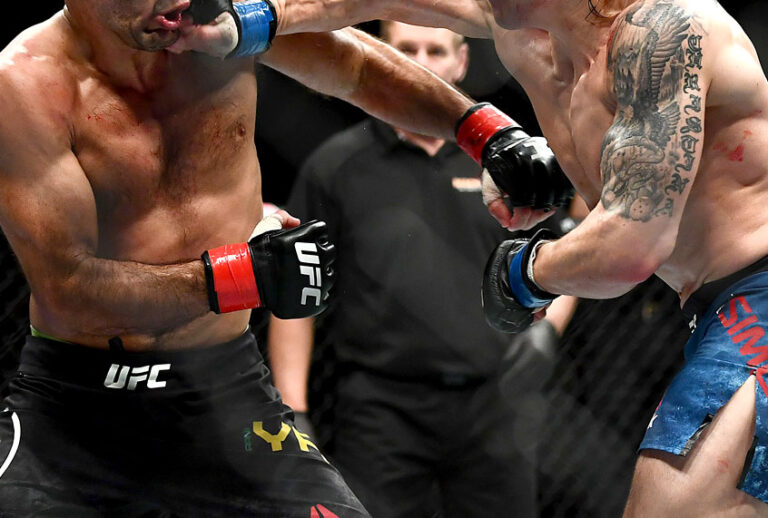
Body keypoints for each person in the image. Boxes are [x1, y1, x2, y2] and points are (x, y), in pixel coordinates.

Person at [176, 0, 768, 515]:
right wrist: (252, 15)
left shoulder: (662, 29)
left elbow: (633, 245)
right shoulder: (525, 32)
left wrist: (525, 273)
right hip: (715, 305)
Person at [0, 0, 572, 516]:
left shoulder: (212, 22)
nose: (176, 2)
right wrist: (247, 276)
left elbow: (356, 67)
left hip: (226, 394)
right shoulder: (27, 83)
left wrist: (487, 133)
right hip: (73, 411)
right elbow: (68, 288)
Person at [266, 21, 579, 518]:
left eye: (436, 50)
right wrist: (293, 412)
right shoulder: (337, 164)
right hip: (379, 407)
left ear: (461, 62)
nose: (421, 63)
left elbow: (566, 250)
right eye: (406, 49)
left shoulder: (503, 164)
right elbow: (294, 292)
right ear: (380, 57)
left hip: (495, 400)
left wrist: (548, 328)